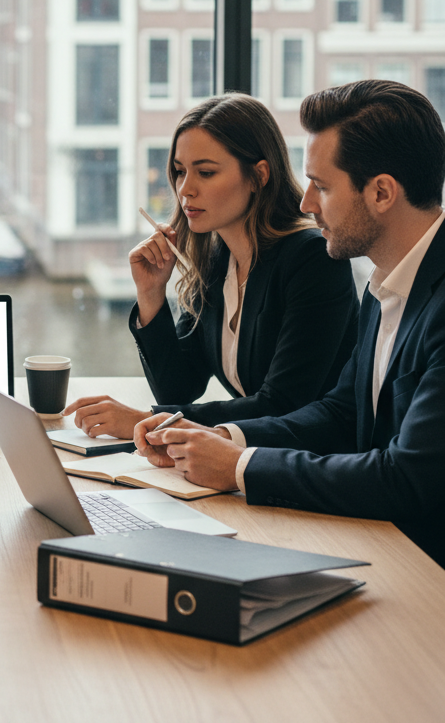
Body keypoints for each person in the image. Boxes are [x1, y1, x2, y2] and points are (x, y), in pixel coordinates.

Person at [134, 80, 445, 567]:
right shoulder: (384, 286)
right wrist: (228, 441)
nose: (306, 204)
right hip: (375, 537)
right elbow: (341, 411)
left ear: (381, 192)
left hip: (422, 563)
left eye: (321, 186)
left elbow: (407, 478)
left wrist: (240, 466)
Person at [64, 94, 358, 437]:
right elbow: (178, 390)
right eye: (179, 171)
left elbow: (282, 404)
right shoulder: (217, 261)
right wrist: (150, 293)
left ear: (258, 176)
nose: (185, 189)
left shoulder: (312, 259)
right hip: (254, 456)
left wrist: (147, 422)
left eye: (205, 172)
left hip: (315, 464)